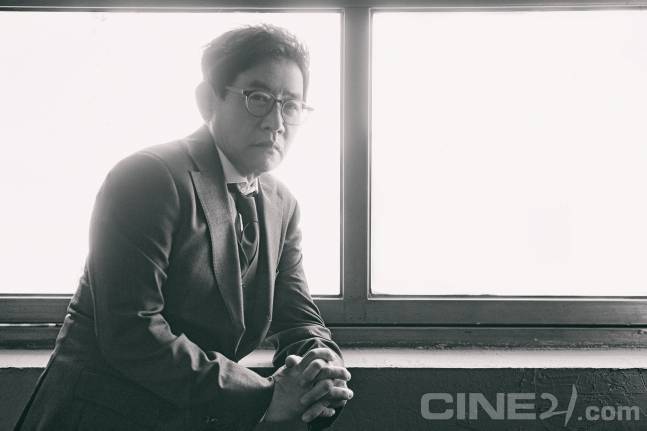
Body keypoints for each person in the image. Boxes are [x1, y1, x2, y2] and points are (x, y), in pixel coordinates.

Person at [14, 24, 352, 431]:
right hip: (102, 416)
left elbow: (298, 318)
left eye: (292, 105)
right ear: (207, 100)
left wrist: (322, 368)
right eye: (258, 99)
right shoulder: (148, 177)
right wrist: (264, 395)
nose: (276, 122)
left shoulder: (282, 204)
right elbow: (132, 331)